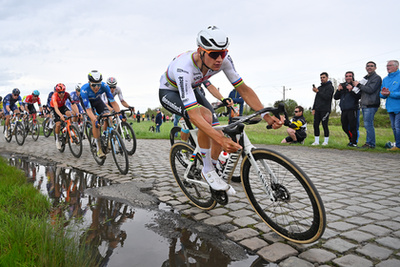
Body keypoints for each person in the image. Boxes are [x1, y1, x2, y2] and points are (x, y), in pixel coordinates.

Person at [158, 26, 283, 192]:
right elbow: (195, 116)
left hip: (193, 88)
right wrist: (220, 140)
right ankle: (207, 170)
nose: (219, 59)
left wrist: (266, 115)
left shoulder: (224, 60)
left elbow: (243, 89)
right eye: (214, 54)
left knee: (216, 127)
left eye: (223, 53)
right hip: (170, 92)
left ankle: (214, 167)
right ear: (200, 51)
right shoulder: (184, 68)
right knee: (206, 118)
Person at [80, 70, 121, 158]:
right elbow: (88, 110)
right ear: (89, 83)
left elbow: (113, 102)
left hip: (97, 100)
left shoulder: (105, 86)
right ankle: (99, 149)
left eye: (98, 84)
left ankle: (107, 138)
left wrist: (119, 114)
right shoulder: (84, 90)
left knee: (108, 117)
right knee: (95, 124)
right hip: (87, 103)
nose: (97, 87)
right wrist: (94, 119)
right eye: (94, 85)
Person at [353, 61, 382, 149]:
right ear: (366, 68)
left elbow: (370, 90)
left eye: (371, 66)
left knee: (368, 124)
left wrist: (359, 85)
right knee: (367, 125)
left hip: (371, 104)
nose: (369, 67)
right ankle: (369, 143)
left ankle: (370, 144)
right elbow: (362, 90)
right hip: (364, 104)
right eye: (368, 66)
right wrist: (355, 88)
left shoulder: (376, 78)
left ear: (375, 68)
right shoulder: (366, 78)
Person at [334, 71, 361, 147]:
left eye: (350, 76)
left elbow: (359, 96)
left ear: (352, 77)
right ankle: (351, 140)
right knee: (344, 127)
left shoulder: (356, 85)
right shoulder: (343, 86)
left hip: (353, 109)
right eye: (347, 76)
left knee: (353, 127)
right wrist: (338, 90)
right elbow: (335, 97)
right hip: (344, 109)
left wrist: (351, 90)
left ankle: (354, 142)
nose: (348, 77)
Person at [50, 83, 79, 150]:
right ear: (57, 92)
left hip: (62, 106)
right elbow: (56, 108)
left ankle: (70, 127)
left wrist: (78, 113)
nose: (61, 94)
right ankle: (57, 140)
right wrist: (61, 116)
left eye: (63, 92)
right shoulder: (54, 96)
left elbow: (73, 104)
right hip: (55, 108)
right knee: (58, 124)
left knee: (69, 114)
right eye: (59, 92)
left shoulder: (67, 94)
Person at [380, 60, 400, 151]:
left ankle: (398, 146)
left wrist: (390, 93)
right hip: (390, 107)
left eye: (390, 65)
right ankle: (397, 145)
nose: (388, 67)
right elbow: (381, 94)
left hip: (399, 106)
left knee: (398, 127)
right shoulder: (385, 79)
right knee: (394, 127)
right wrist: (383, 93)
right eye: (387, 65)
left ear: (396, 66)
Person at [311, 72, 334, 146]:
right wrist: (313, 108)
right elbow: (316, 99)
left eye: (323, 77)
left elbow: (327, 97)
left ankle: (326, 141)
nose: (322, 79)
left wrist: (318, 91)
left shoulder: (330, 87)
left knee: (324, 125)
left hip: (325, 109)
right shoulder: (320, 88)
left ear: (327, 78)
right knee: (315, 124)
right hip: (317, 109)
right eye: (321, 77)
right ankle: (316, 141)